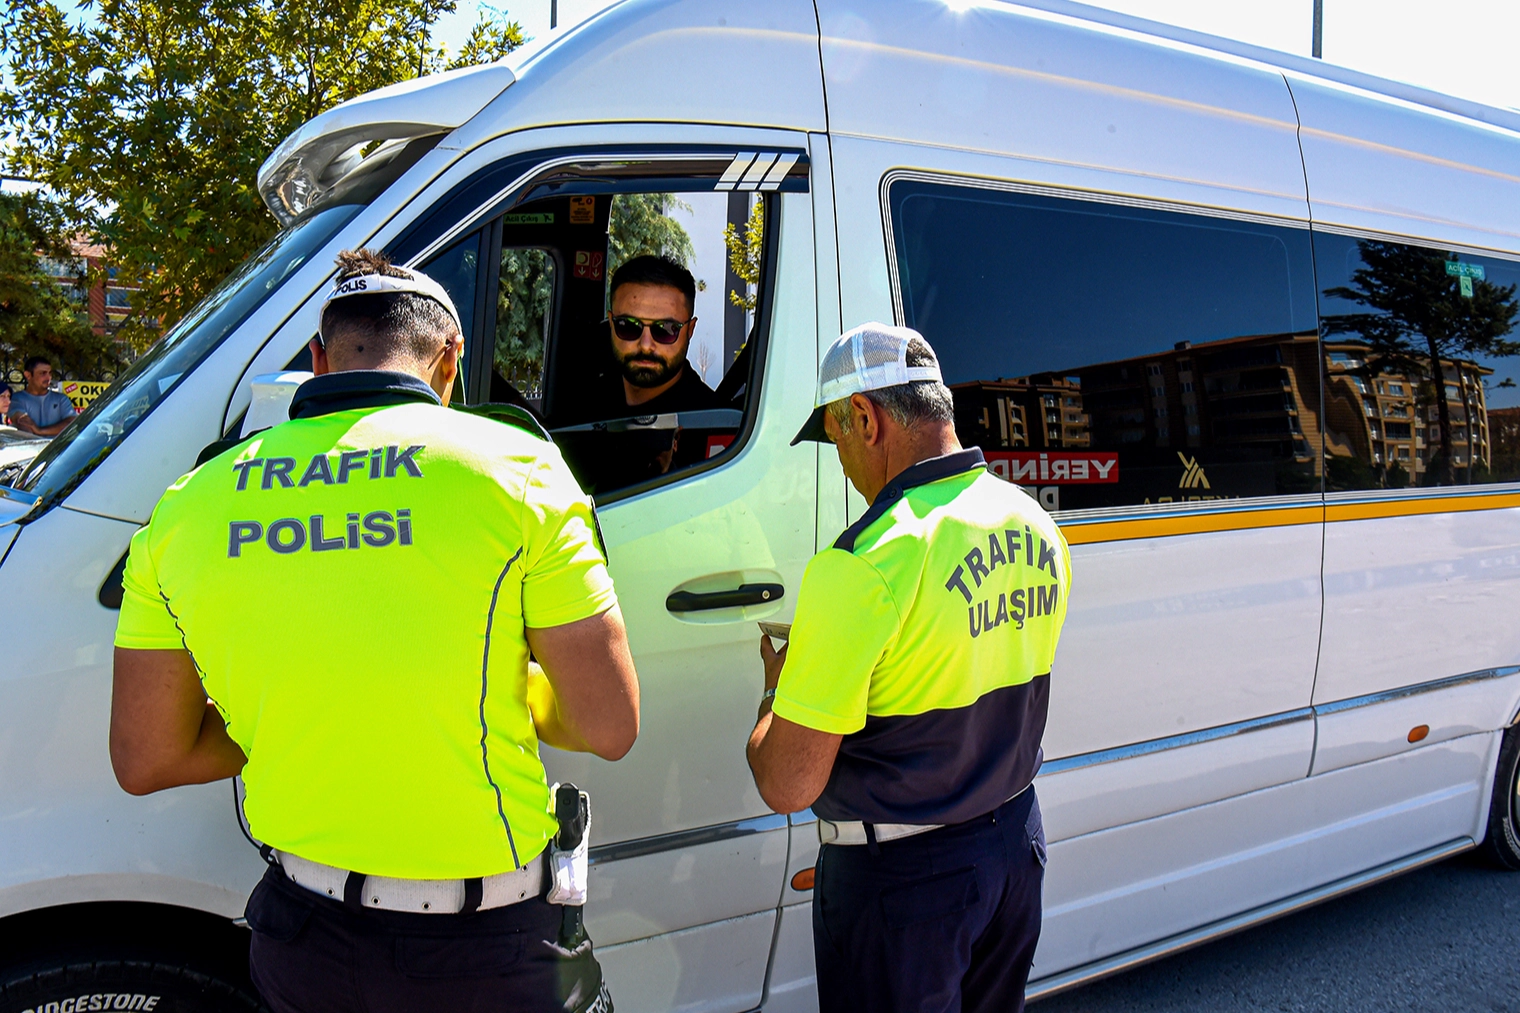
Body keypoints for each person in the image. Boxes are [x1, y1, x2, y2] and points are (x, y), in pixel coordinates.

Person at [109, 248, 638, 1013]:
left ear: (320, 359)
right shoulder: (520, 469)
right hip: (485, 947)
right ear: (450, 358)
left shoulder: (186, 505)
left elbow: (146, 755)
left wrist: (298, 713)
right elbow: (608, 724)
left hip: (302, 939)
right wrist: (497, 681)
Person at [745, 323, 1073, 1013]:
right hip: (1015, 849)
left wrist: (778, 688)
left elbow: (786, 782)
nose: (841, 461)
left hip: (904, 885)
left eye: (834, 439)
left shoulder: (864, 561)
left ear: (864, 419)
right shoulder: (1033, 523)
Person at [598, 255, 720, 417]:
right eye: (628, 326)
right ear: (611, 324)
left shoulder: (713, 424)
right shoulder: (578, 408)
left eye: (665, 329)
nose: (646, 345)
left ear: (690, 330)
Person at [10, 355, 77, 436]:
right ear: (28, 375)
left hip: (58, 448)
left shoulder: (61, 399)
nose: (48, 377)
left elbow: (71, 424)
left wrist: (40, 431)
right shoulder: (16, 399)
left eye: (50, 373)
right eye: (42, 373)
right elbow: (23, 423)